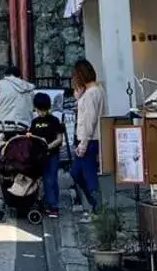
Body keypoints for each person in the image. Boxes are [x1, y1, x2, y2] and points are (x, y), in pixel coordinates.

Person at [70, 58, 105, 213]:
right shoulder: (98, 90)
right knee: (79, 172)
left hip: (88, 139)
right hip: (93, 138)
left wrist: (83, 143)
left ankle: (97, 206)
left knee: (85, 174)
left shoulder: (90, 94)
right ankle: (95, 205)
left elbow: (88, 120)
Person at [29, 91, 67, 220]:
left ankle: (53, 205)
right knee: (43, 180)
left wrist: (48, 146)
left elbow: (59, 138)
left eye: (43, 110)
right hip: (39, 156)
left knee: (51, 180)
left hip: (52, 155)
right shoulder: (34, 122)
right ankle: (46, 202)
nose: (41, 113)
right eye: (39, 110)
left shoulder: (54, 120)